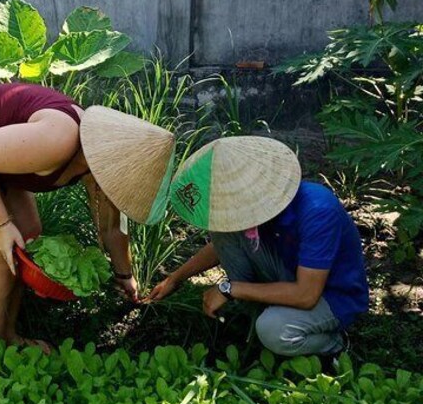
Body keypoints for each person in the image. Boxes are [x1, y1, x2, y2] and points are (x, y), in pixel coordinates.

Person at [0, 83, 175, 351]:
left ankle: (8, 322)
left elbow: (112, 226)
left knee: (28, 237)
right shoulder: (58, 139)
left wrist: (124, 275)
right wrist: (1, 224)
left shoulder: (99, 164)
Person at [147, 136, 369, 357]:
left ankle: (334, 343)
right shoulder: (260, 206)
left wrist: (230, 289)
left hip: (330, 297)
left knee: (273, 330)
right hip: (289, 273)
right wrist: (175, 278)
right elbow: (220, 245)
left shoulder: (318, 211)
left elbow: (306, 295)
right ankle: (255, 313)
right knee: (224, 231)